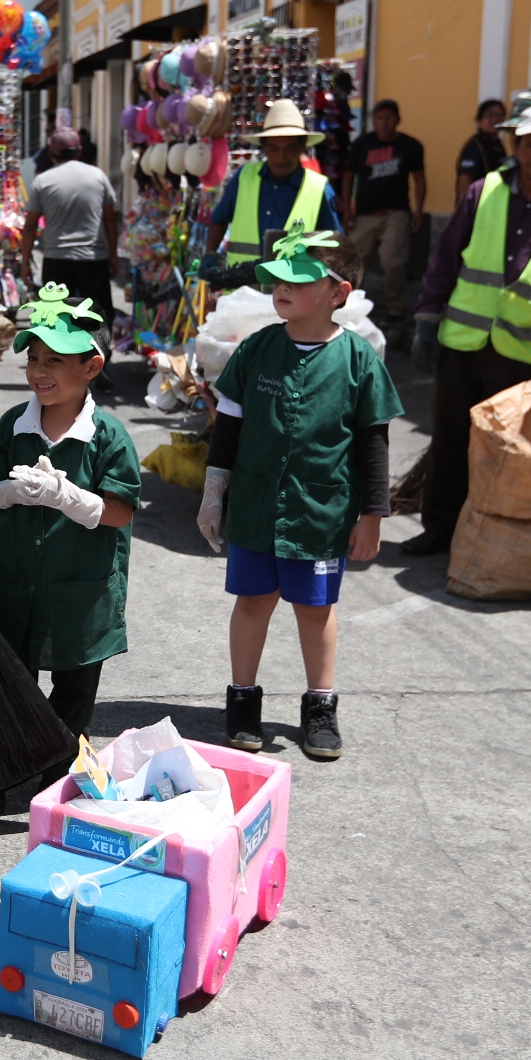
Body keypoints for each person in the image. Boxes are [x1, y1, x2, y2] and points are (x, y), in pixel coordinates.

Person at [197, 231, 400, 761]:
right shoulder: (257, 349)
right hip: (256, 509)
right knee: (253, 602)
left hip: (321, 513)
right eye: (279, 279)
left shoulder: (357, 359)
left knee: (315, 609)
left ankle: (320, 707)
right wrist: (213, 493)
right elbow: (227, 430)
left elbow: (374, 445)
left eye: (299, 280)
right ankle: (242, 702)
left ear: (338, 293)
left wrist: (372, 515)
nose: (282, 288)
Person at [405, 102, 531, 556]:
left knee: (507, 452)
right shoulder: (483, 192)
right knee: (451, 438)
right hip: (462, 343)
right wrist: (427, 321)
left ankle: (490, 531)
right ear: (515, 146)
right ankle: (439, 527)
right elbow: (444, 261)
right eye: (530, 145)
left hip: (522, 357)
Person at [0, 283, 140, 809]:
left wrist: (67, 495)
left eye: (55, 361)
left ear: (92, 368)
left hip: (81, 594)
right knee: (13, 684)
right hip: (19, 583)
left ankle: (61, 776)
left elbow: (120, 510)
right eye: (34, 360)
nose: (40, 372)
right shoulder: (14, 424)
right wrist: (10, 491)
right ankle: (6, 772)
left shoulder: (108, 435)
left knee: (73, 692)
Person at [200, 98, 344, 290]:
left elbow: (335, 244)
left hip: (294, 296)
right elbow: (219, 220)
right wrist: (211, 254)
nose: (281, 157)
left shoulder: (319, 188)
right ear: (264, 148)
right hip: (241, 294)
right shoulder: (244, 178)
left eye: (290, 148)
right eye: (273, 148)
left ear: (302, 148)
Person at [19, 126, 122, 341]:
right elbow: (110, 219)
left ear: (51, 153)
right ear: (79, 151)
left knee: (56, 318)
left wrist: (25, 262)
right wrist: (113, 255)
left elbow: (30, 226)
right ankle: (98, 360)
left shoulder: (43, 181)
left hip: (57, 259)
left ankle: (60, 362)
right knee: (96, 315)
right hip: (93, 258)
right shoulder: (98, 177)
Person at [346, 99, 426, 322]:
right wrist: (347, 209)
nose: (384, 122)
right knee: (352, 260)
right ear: (374, 121)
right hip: (364, 214)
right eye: (380, 118)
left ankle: (395, 310)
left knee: (393, 263)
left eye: (389, 117)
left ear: (398, 120)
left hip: (396, 214)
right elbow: (349, 177)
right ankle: (347, 305)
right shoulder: (362, 144)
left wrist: (418, 211)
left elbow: (419, 179)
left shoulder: (410, 146)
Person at [455, 98, 508, 193]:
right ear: (479, 120)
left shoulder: (498, 145)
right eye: (489, 115)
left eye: (499, 116)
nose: (495, 120)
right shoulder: (475, 147)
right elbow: (465, 181)